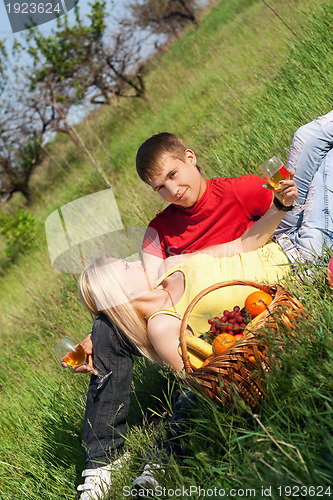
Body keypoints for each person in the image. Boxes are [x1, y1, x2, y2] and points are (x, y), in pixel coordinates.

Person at [70, 110, 332, 499]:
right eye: (160, 186)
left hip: (282, 238)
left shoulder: (206, 226)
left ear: (190, 158)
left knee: (309, 137)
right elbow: (198, 372)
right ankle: (105, 465)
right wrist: (99, 329)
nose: (171, 190)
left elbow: (243, 243)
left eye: (173, 176)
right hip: (292, 262)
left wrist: (279, 206)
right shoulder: (161, 255)